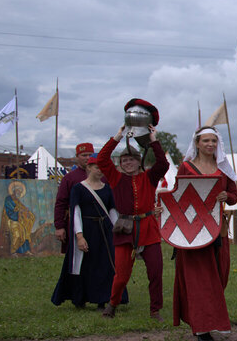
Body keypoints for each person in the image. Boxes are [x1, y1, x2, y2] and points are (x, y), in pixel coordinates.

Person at [97, 103, 169, 319]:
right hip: (124, 228)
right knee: (122, 275)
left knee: (155, 271)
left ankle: (155, 310)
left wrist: (154, 140)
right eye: (124, 160)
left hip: (148, 228)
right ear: (121, 163)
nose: (128, 163)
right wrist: (117, 137)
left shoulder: (148, 177)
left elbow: (163, 164)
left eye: (132, 159)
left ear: (139, 162)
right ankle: (112, 304)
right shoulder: (116, 178)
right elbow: (101, 160)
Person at [172, 127, 237, 341]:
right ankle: (202, 329)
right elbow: (177, 195)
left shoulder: (223, 169)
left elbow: (234, 197)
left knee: (219, 277)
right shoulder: (186, 167)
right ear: (197, 143)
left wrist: (225, 195)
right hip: (192, 232)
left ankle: (208, 320)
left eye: (213, 141)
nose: (210, 144)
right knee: (199, 281)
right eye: (206, 141)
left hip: (217, 229)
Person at [50, 155, 120, 309]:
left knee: (104, 264)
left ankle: (103, 298)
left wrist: (117, 231)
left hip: (104, 231)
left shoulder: (107, 188)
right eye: (96, 167)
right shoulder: (78, 188)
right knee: (84, 265)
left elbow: (112, 211)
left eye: (102, 168)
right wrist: (79, 237)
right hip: (86, 229)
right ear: (89, 168)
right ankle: (80, 298)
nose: (100, 171)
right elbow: (76, 211)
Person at [54, 142, 94, 251]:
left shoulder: (101, 176)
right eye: (84, 155)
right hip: (75, 222)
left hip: (96, 222)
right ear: (77, 157)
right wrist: (59, 226)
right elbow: (61, 203)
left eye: (90, 155)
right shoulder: (69, 178)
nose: (87, 158)